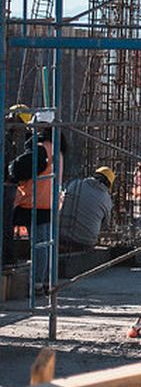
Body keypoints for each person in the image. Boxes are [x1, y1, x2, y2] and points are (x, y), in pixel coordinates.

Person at [7, 123, 66, 289]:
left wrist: (10, 170)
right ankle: (46, 281)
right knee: (46, 245)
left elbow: (19, 168)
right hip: (49, 203)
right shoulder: (57, 151)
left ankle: (38, 283)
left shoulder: (42, 149)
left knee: (39, 245)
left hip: (34, 202)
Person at [2, 105, 33, 265]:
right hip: (5, 186)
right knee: (5, 223)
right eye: (21, 123)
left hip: (7, 185)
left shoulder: (8, 137)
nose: (21, 130)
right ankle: (6, 257)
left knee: (7, 223)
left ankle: (7, 257)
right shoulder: (4, 137)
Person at [60, 167, 115, 251]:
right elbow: (104, 225)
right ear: (108, 184)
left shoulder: (75, 184)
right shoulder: (107, 199)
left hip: (60, 236)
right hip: (84, 242)